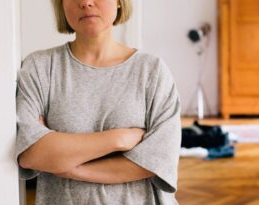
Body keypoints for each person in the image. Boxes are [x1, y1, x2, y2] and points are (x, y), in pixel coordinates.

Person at [15, 0, 182, 204]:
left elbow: (156, 161)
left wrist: (67, 165)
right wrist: (118, 139)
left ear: (120, 3)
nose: (85, 2)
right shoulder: (39, 67)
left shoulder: (152, 70)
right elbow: (31, 154)